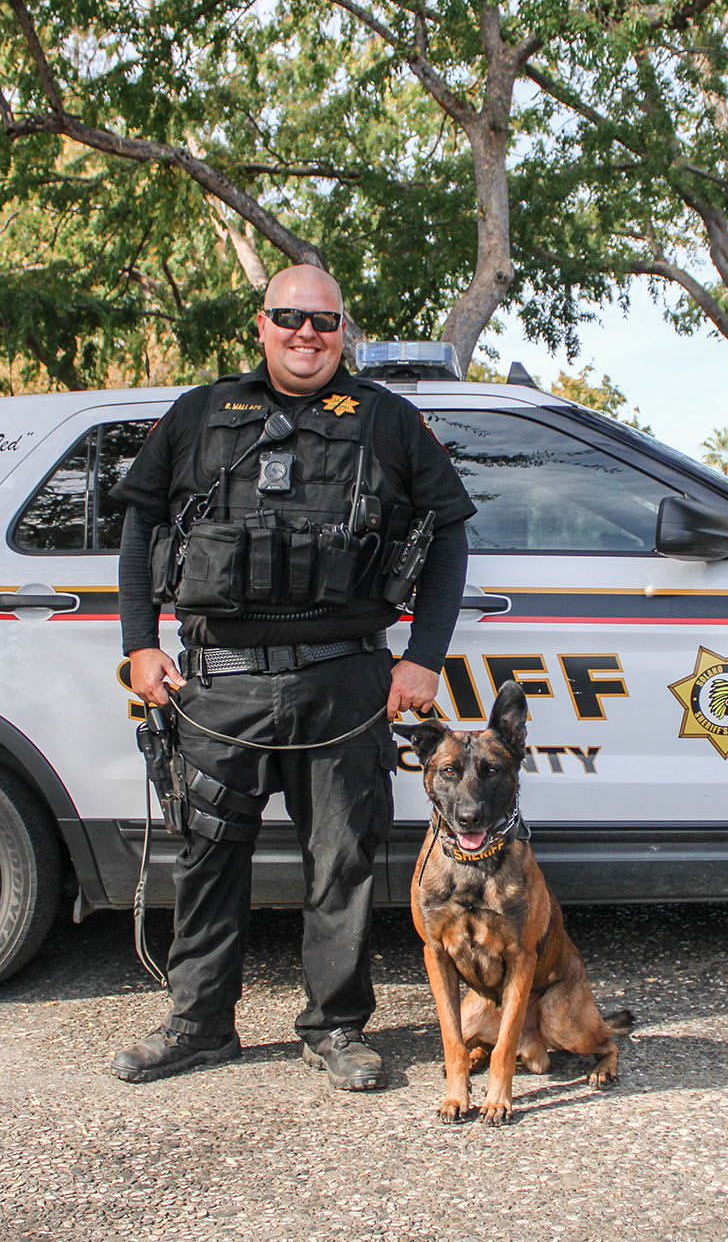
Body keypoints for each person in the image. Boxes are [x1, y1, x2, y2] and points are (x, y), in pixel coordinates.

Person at [106, 264, 476, 1089]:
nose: (305, 335)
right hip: (220, 684)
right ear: (261, 325)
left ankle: (336, 1028)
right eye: (289, 318)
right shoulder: (199, 414)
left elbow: (448, 534)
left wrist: (423, 656)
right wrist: (140, 643)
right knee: (205, 858)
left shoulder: (387, 420)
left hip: (343, 681)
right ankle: (198, 1026)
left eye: (323, 321)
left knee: (341, 861)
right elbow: (141, 527)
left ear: (343, 329)